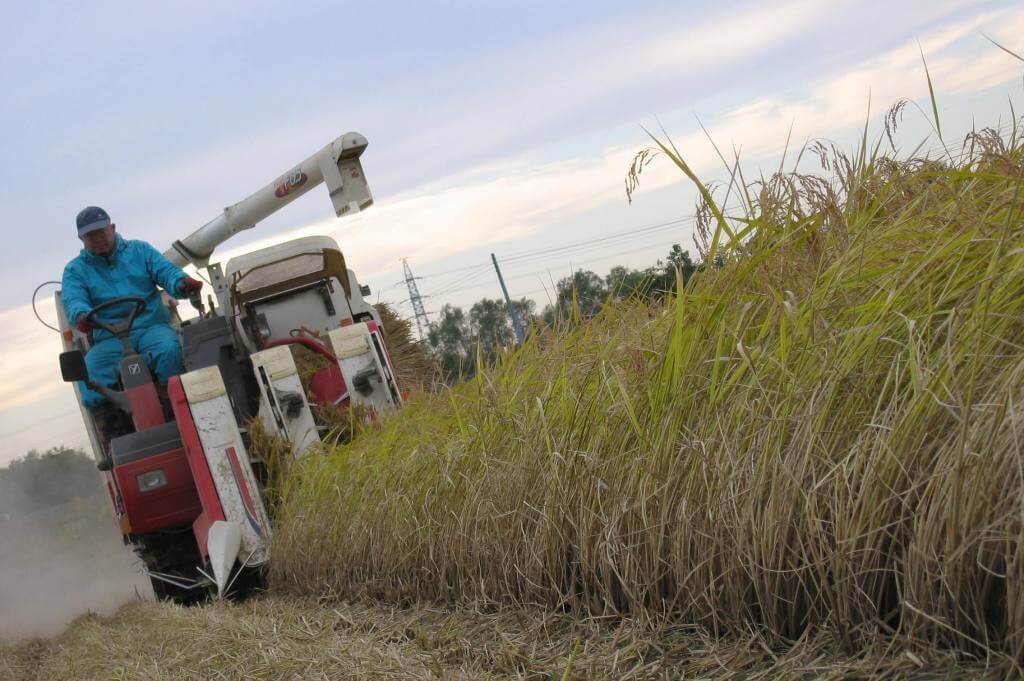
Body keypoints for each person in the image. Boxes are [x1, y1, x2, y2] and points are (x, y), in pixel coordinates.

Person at [61, 206, 203, 410]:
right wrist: (81, 315)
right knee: (89, 374)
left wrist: (181, 282)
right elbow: (74, 299)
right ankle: (112, 422)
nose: (98, 238)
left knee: (168, 351)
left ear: (112, 228)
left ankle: (178, 406)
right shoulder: (75, 271)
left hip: (151, 327)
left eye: (101, 231)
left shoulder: (140, 250)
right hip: (109, 339)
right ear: (81, 238)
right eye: (91, 235)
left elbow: (165, 272)